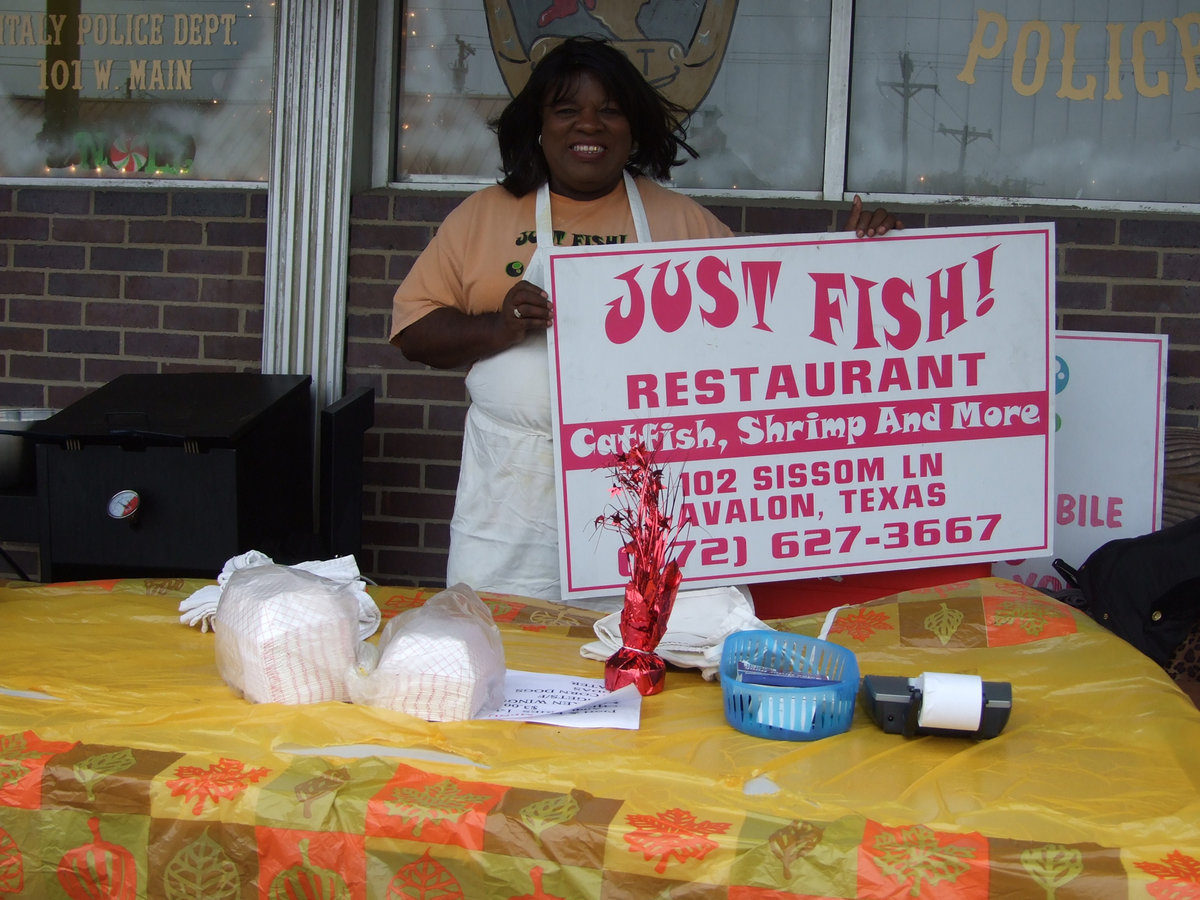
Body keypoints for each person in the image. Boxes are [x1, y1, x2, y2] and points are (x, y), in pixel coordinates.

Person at [391, 36, 901, 605]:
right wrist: (498, 326)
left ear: (633, 129)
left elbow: (771, 325)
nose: (589, 125)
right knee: (508, 640)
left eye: (610, 110)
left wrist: (855, 262)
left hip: (654, 488)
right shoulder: (483, 216)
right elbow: (413, 332)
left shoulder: (681, 221)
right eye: (567, 110)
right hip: (514, 496)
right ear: (538, 125)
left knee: (659, 641)